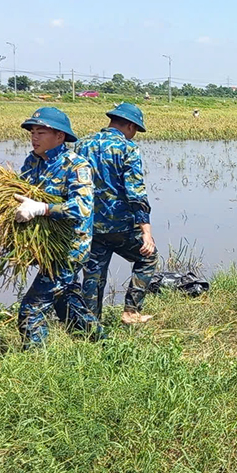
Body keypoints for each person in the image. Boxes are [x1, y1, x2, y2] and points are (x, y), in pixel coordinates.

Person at [14, 107, 101, 347]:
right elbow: (21, 192)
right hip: (47, 246)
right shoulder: (32, 161)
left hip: (69, 250)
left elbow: (82, 208)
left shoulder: (76, 165)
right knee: (67, 302)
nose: (34, 137)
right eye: (32, 132)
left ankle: (36, 364)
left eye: (41, 132)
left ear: (60, 137)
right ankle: (102, 344)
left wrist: (42, 209)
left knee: (32, 308)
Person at [75, 103, 158, 325]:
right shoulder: (128, 149)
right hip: (119, 226)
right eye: (135, 131)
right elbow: (136, 192)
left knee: (93, 275)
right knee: (147, 256)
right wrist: (146, 232)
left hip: (88, 225)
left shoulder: (81, 145)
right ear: (130, 126)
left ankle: (90, 324)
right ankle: (131, 312)